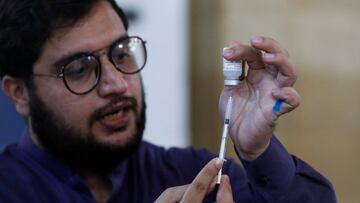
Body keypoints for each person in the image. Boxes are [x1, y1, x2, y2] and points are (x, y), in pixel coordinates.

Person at [0, 0, 337, 202]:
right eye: (78, 70)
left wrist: (257, 152)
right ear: (19, 94)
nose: (116, 84)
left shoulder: (193, 175)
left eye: (121, 53)